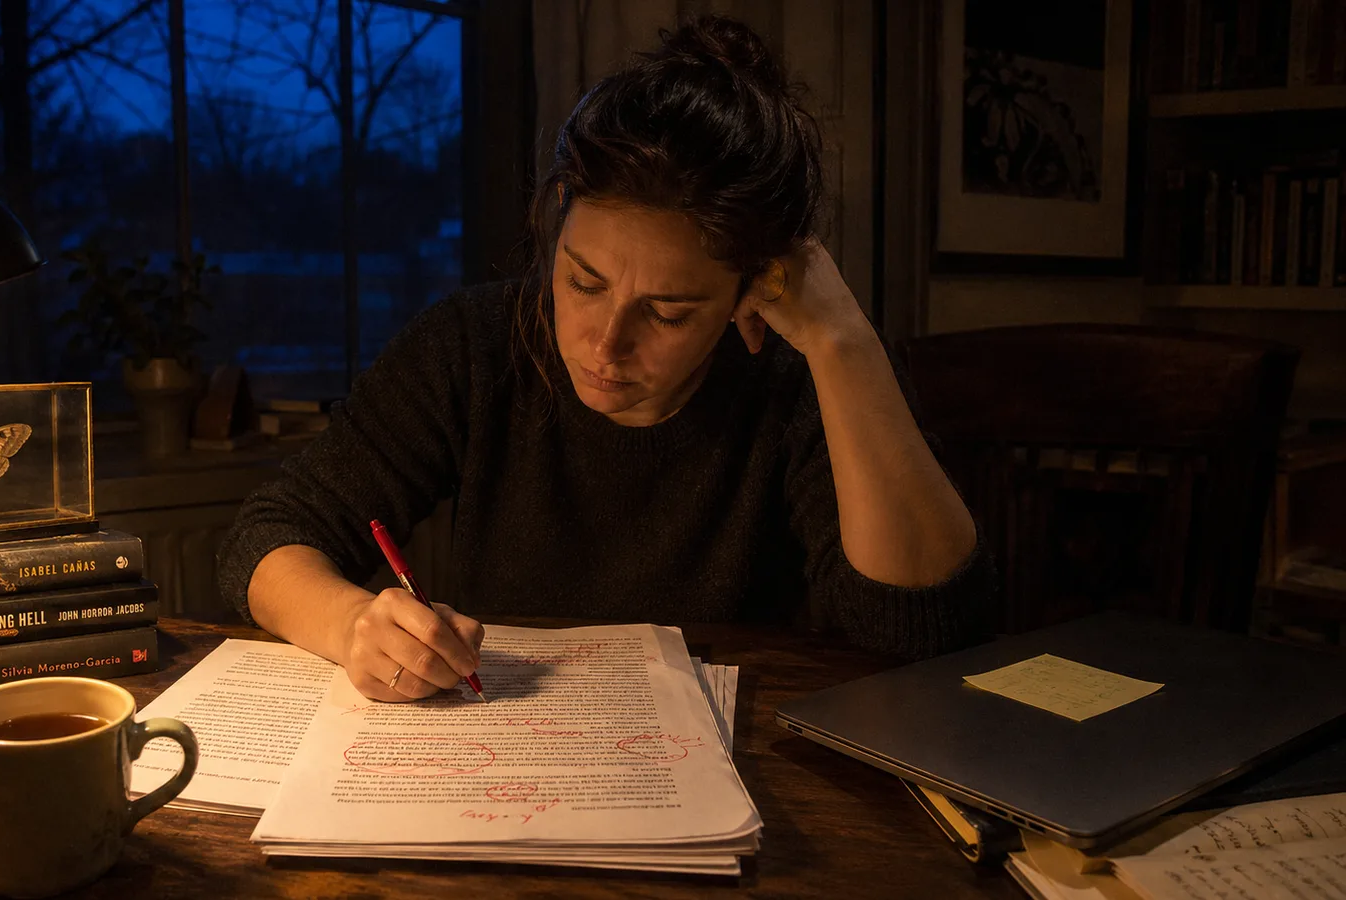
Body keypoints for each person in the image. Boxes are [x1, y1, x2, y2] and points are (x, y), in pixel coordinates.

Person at [217, 15, 997, 703]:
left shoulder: (795, 381)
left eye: (669, 311)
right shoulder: (474, 345)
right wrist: (354, 621)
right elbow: (272, 531)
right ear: (558, 220)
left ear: (750, 292)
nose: (604, 344)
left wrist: (842, 341)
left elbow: (919, 624)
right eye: (583, 281)